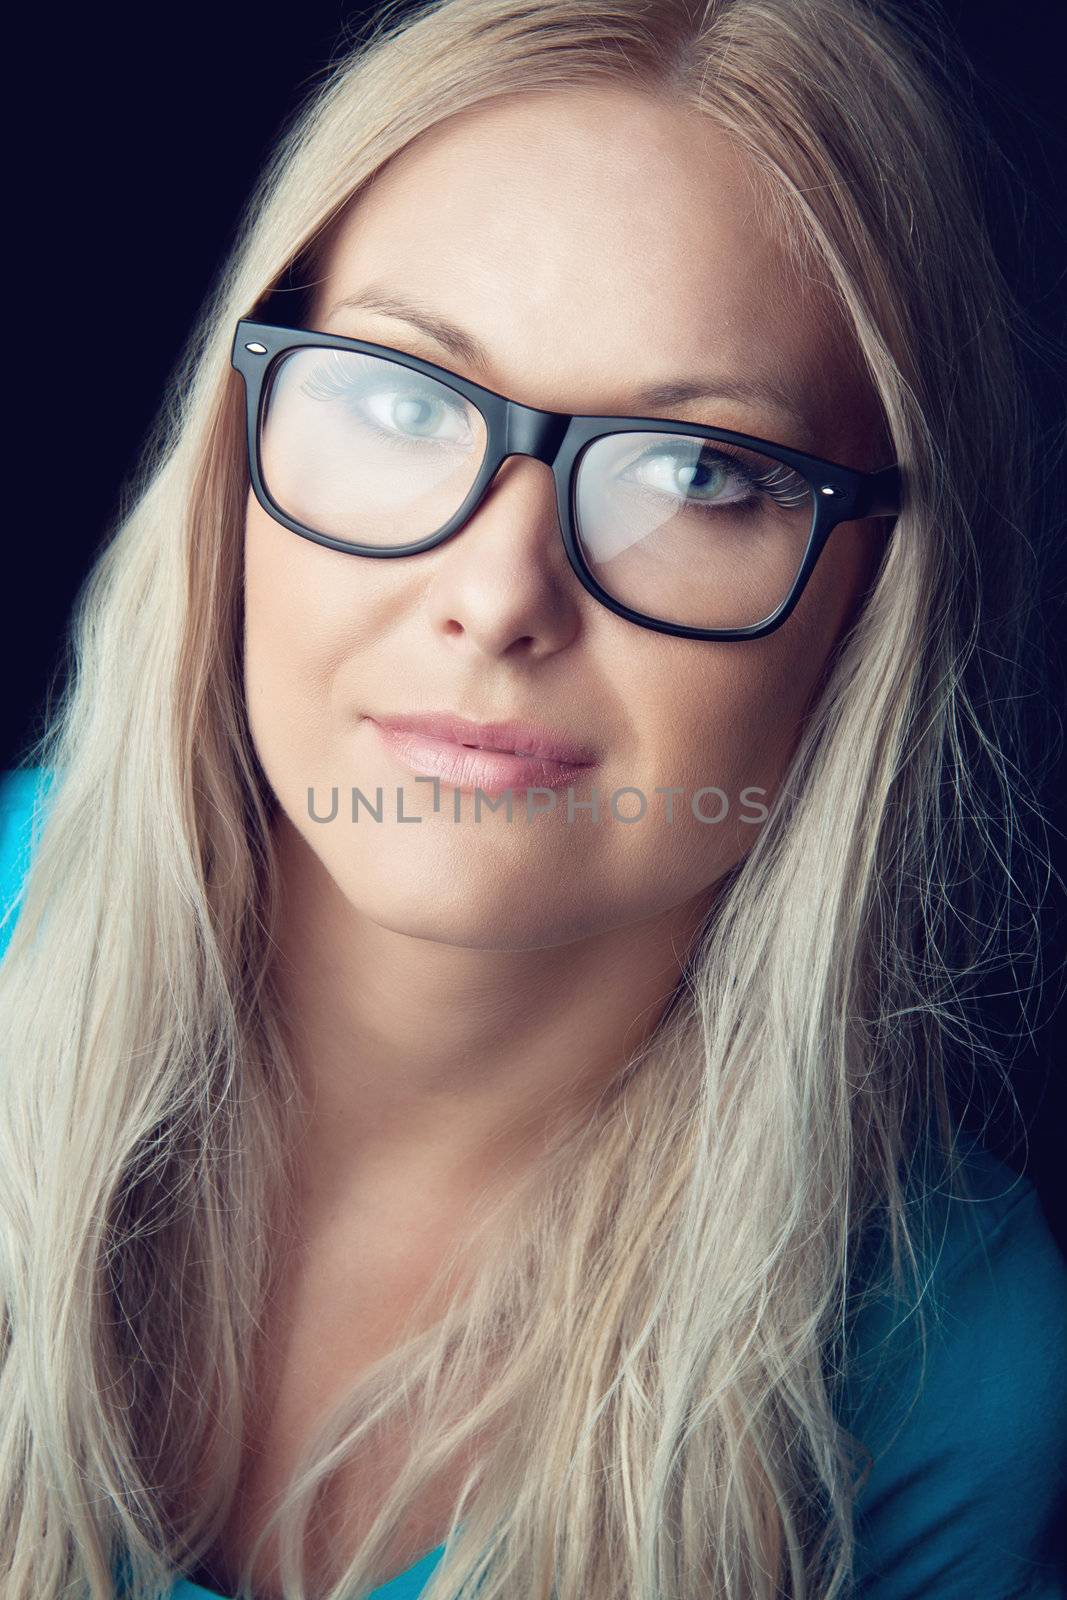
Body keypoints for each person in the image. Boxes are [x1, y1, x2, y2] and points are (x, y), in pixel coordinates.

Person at [1, 0, 1064, 1596]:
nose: (498, 592)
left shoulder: (933, 1356)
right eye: (402, 397)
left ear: (873, 599)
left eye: (700, 469)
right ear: (239, 442)